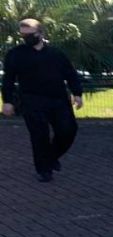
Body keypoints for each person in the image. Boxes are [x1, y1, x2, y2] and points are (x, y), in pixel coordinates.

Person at [2, 18, 83, 183]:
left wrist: (77, 93)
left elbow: (70, 74)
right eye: (23, 35)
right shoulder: (15, 54)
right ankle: (44, 170)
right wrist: (8, 101)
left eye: (29, 35)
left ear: (40, 33)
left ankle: (51, 157)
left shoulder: (56, 54)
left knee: (68, 130)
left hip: (58, 99)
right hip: (32, 100)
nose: (26, 38)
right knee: (39, 136)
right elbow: (8, 80)